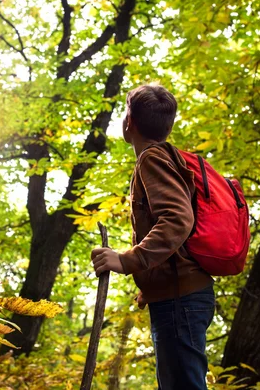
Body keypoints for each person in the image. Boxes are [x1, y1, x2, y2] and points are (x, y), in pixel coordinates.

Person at [91, 83, 215, 390]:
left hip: (181, 300)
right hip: (178, 297)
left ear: (129, 121)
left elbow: (177, 220)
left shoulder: (152, 159)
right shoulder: (166, 158)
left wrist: (127, 260)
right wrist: (151, 282)